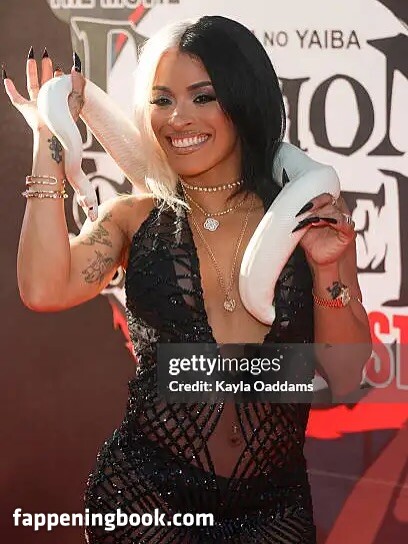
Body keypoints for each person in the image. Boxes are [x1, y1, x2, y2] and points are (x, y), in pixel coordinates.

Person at [4, 15, 371, 544]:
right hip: (146, 500)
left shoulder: (305, 218)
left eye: (203, 97)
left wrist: (328, 267)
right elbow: (43, 289)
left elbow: (346, 373)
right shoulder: (135, 218)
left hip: (275, 510)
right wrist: (48, 135)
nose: (178, 118)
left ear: (243, 99)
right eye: (162, 100)